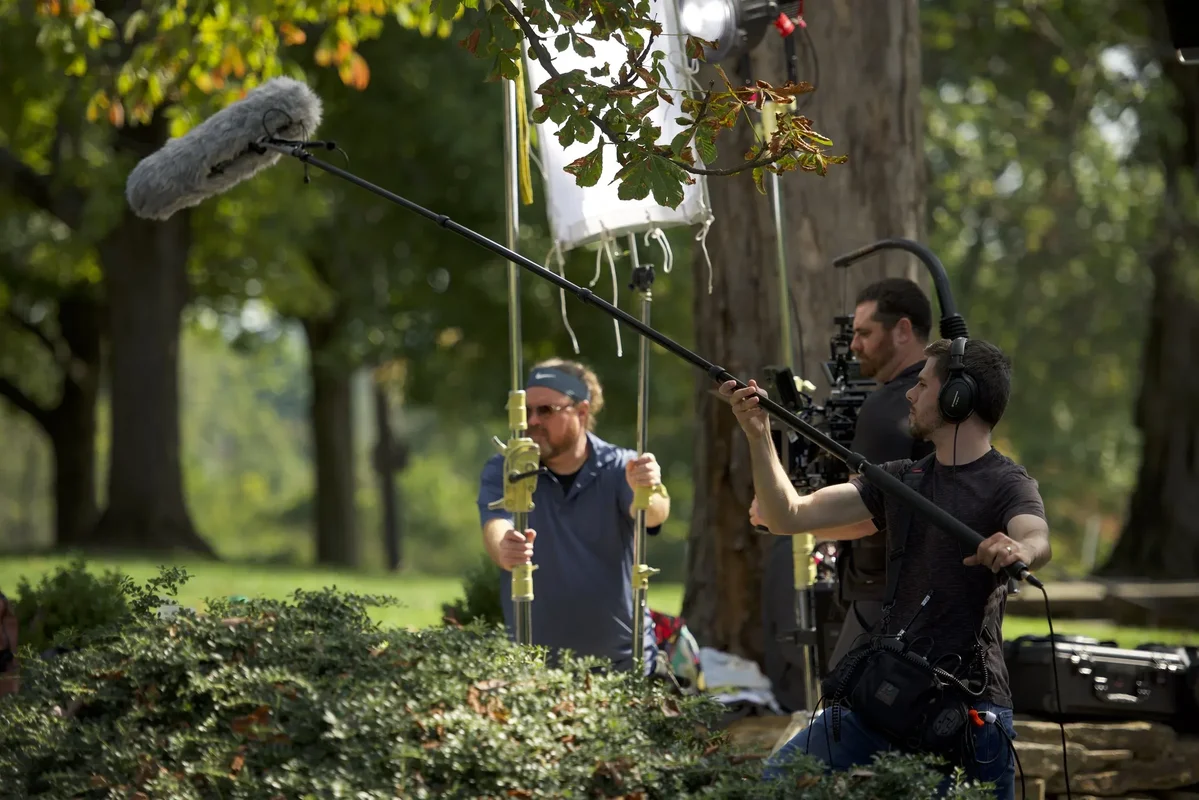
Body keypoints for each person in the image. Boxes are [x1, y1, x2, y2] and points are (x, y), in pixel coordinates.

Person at [725, 337, 1051, 800]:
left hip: (970, 710)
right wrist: (757, 431)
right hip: (888, 695)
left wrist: (1018, 549)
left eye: (922, 383)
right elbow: (788, 516)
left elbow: (1037, 538)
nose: (910, 394)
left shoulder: (1008, 483)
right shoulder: (901, 478)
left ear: (958, 396)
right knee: (778, 778)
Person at [757, 277, 936, 675]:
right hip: (936, 596)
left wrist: (789, 515)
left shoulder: (890, 405)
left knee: (842, 715)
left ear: (903, 330)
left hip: (887, 596)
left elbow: (868, 517)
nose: (854, 345)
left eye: (865, 333)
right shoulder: (942, 396)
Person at [476, 358, 670, 675]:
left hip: (623, 667)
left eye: (546, 411)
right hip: (533, 670)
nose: (532, 421)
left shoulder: (622, 465)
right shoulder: (505, 467)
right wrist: (506, 548)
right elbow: (496, 526)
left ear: (581, 412)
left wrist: (649, 486)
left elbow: (652, 513)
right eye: (527, 410)